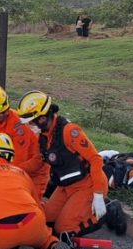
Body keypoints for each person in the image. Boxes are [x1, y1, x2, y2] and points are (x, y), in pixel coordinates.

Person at [17, 90, 127, 238]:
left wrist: (98, 194)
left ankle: (108, 210)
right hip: (65, 186)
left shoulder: (69, 132)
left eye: (31, 122)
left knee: (63, 229)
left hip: (86, 186)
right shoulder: (43, 137)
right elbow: (38, 161)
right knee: (44, 218)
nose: (30, 126)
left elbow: (95, 159)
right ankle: (84, 207)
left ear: (42, 118)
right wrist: (13, 169)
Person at [0, 83, 49, 201]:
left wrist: (3, 176)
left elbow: (19, 160)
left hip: (34, 170)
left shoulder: (19, 126)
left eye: (4, 111)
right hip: (12, 167)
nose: (2, 114)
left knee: (30, 203)